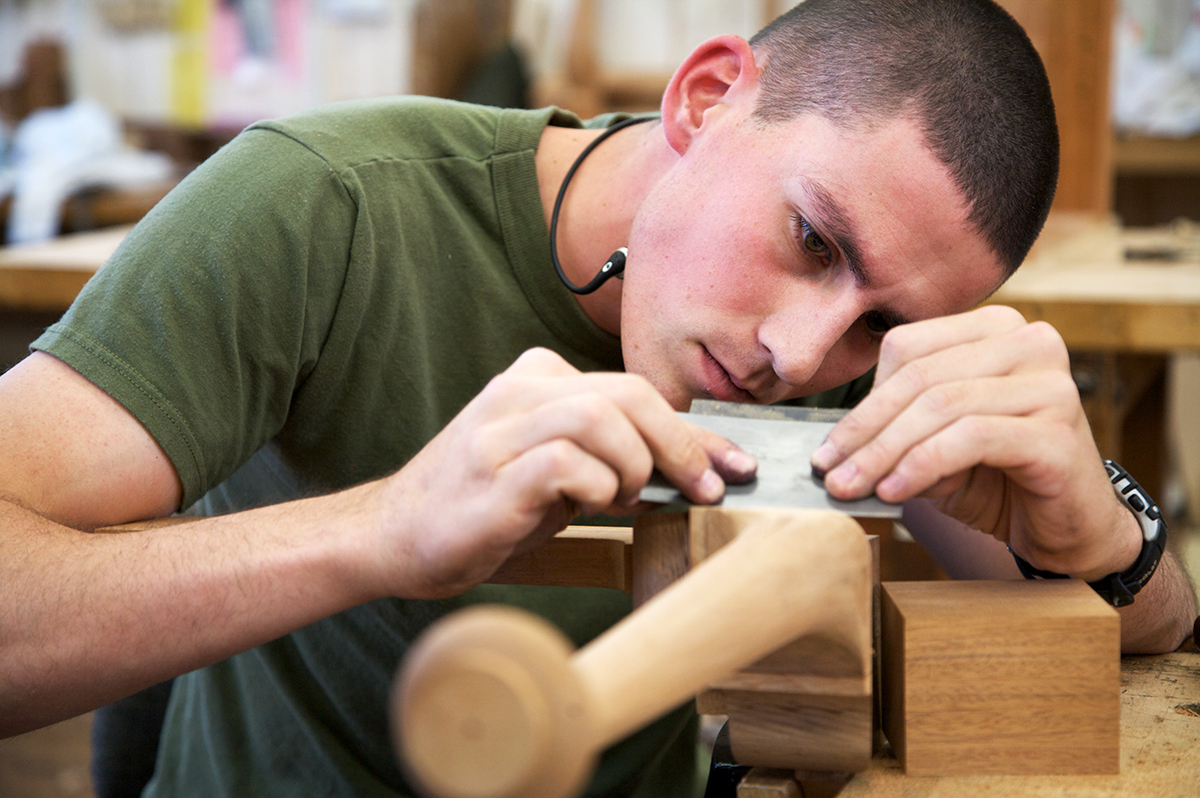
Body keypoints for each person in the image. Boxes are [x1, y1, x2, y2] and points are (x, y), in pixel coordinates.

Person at [0, 0, 1195, 796]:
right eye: (810, 238)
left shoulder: (858, 357)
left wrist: (1101, 528)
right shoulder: (325, 207)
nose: (800, 353)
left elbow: (1142, 641)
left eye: (886, 319)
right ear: (708, 97)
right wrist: (381, 530)